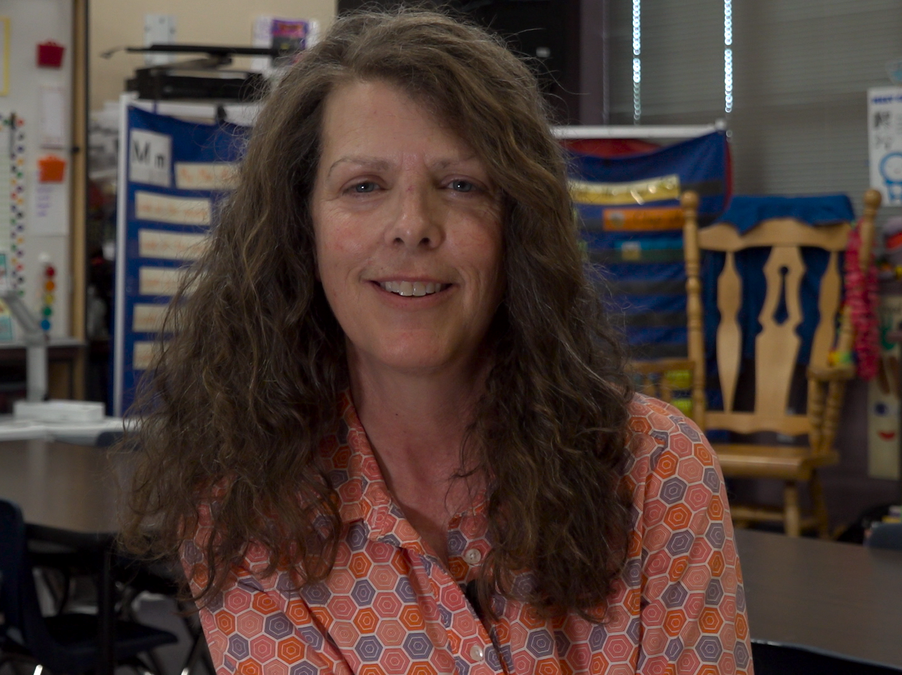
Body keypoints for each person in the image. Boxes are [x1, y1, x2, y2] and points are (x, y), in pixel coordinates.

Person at [124, 9, 751, 675]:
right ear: (299, 228)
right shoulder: (244, 498)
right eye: (363, 186)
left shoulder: (658, 470)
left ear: (519, 225)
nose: (413, 225)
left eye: (461, 185)